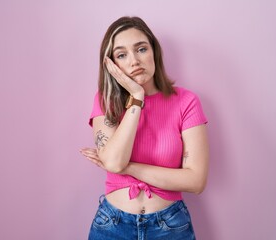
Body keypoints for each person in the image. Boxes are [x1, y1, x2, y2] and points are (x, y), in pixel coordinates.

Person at [80, 16, 209, 240]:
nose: (134, 61)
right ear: (111, 64)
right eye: (122, 55)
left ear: (154, 52)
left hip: (170, 227)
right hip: (112, 225)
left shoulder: (186, 101)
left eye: (141, 49)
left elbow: (196, 181)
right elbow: (113, 162)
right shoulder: (105, 100)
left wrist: (128, 168)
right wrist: (137, 98)